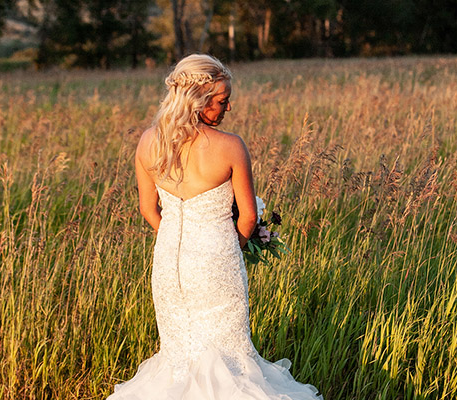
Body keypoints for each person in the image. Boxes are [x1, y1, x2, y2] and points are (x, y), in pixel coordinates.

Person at [108, 54, 322, 399]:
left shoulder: (149, 141)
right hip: (216, 261)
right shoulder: (230, 147)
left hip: (168, 263)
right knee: (229, 355)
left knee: (179, 354)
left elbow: (148, 209)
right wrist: (227, 245)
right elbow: (249, 218)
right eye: (222, 101)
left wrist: (180, 236)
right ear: (199, 100)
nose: (228, 108)